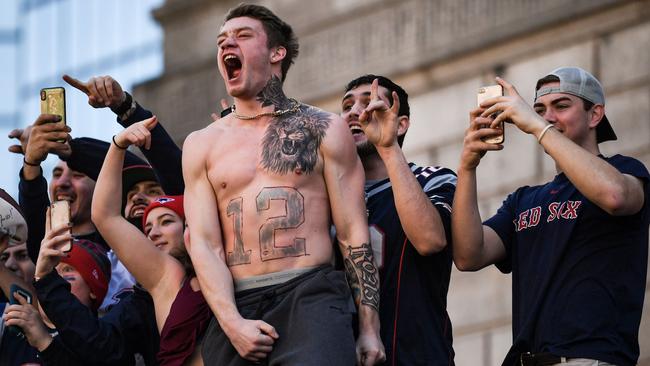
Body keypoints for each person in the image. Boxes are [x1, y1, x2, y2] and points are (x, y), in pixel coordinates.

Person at [183, 3, 384, 365]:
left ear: (277, 53)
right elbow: (204, 244)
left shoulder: (323, 127)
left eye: (243, 36)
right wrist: (231, 322)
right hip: (236, 303)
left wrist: (370, 327)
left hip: (310, 296)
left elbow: (354, 233)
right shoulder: (201, 144)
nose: (228, 45)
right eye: (221, 41)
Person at [452, 67, 649, 366]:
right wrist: (467, 167)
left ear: (595, 115)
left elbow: (615, 196)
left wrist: (536, 126)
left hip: (589, 358)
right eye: (540, 109)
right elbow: (468, 255)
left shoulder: (626, 170)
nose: (548, 116)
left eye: (561, 106)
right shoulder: (523, 200)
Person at [341, 75, 457, 365]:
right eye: (347, 105)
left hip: (419, 355)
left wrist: (388, 147)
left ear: (401, 123)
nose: (355, 111)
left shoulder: (432, 179)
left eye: (368, 102)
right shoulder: (325, 196)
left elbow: (430, 240)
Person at [93, 117, 211, 366]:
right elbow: (105, 216)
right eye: (148, 228)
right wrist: (118, 145)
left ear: (189, 224)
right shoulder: (166, 277)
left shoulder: (234, 264)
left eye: (166, 222)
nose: (153, 233)